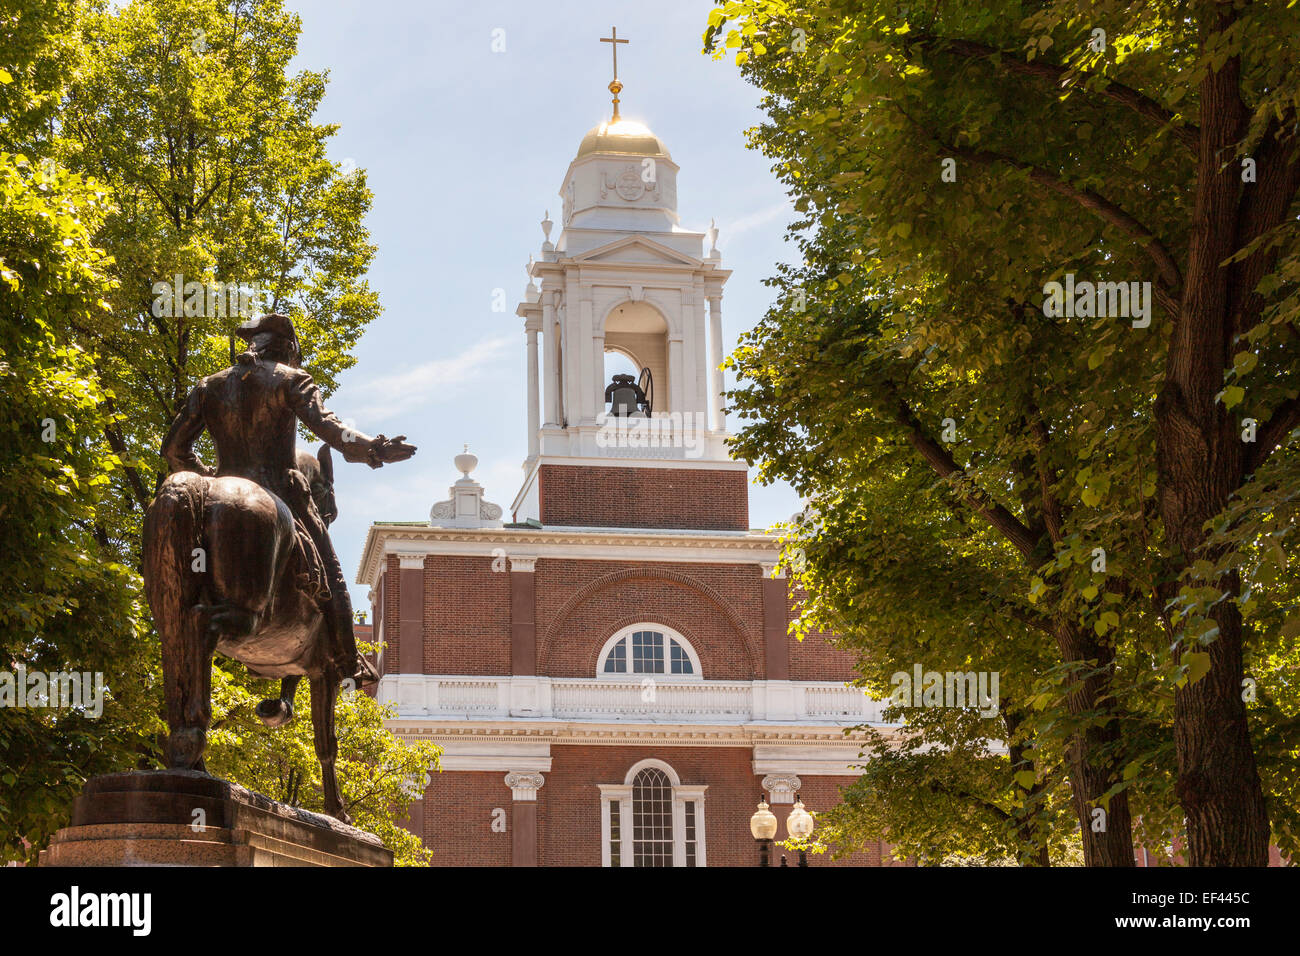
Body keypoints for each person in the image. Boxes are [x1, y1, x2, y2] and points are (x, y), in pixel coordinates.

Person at [160, 312, 413, 683]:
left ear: (254, 346)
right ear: (290, 349)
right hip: (282, 491)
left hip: (216, 491)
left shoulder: (209, 385)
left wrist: (212, 482)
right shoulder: (291, 379)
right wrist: (374, 448)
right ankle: (347, 657)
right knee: (332, 572)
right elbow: (330, 429)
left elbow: (174, 450)